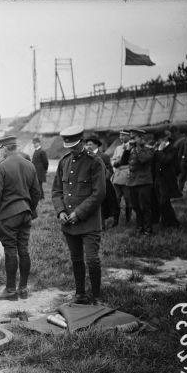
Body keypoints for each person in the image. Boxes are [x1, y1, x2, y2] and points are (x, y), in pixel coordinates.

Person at [52, 126, 106, 304]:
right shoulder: (64, 161)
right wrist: (60, 211)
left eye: (74, 146)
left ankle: (97, 296)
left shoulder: (95, 162)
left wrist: (79, 213)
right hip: (68, 223)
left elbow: (99, 194)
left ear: (82, 142)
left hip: (89, 222)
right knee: (76, 259)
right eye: (69, 147)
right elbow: (56, 191)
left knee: (92, 260)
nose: (72, 150)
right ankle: (80, 294)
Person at [0, 135, 41, 300]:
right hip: (25, 214)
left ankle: (10, 291)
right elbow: (36, 192)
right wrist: (30, 210)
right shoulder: (29, 165)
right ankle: (23, 289)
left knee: (10, 251)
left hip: (8, 216)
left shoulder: (2, 166)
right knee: (23, 250)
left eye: (0, 149)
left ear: (4, 148)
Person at [84, 136, 118, 230]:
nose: (88, 146)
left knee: (102, 205)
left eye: (90, 144)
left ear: (96, 145)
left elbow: (110, 170)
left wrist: (102, 181)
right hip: (88, 185)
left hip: (102, 185)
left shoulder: (103, 156)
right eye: (87, 144)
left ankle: (101, 226)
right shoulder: (85, 156)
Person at [126, 129, 154, 235]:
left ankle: (147, 229)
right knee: (136, 207)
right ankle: (139, 227)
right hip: (132, 182)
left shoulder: (149, 149)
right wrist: (127, 150)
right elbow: (124, 162)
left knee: (145, 207)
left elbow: (143, 159)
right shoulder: (131, 149)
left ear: (141, 138)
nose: (131, 140)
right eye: (131, 137)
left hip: (143, 182)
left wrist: (137, 147)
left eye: (134, 138)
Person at [154, 130, 182, 227]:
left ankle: (173, 222)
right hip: (159, 178)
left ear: (165, 138)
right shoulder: (158, 148)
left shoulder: (172, 149)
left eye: (160, 139)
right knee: (162, 201)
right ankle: (167, 222)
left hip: (167, 179)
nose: (158, 141)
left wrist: (160, 151)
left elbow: (165, 160)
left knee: (164, 201)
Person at [111, 129, 132, 226]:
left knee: (128, 199)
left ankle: (128, 221)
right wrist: (115, 164)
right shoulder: (118, 148)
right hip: (117, 176)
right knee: (116, 199)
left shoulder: (132, 147)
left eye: (123, 135)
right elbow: (113, 160)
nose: (121, 137)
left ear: (129, 136)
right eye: (120, 135)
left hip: (127, 176)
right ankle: (115, 221)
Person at [176, 129, 187, 193]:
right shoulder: (185, 142)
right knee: (182, 176)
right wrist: (180, 161)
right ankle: (180, 190)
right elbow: (180, 153)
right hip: (184, 162)